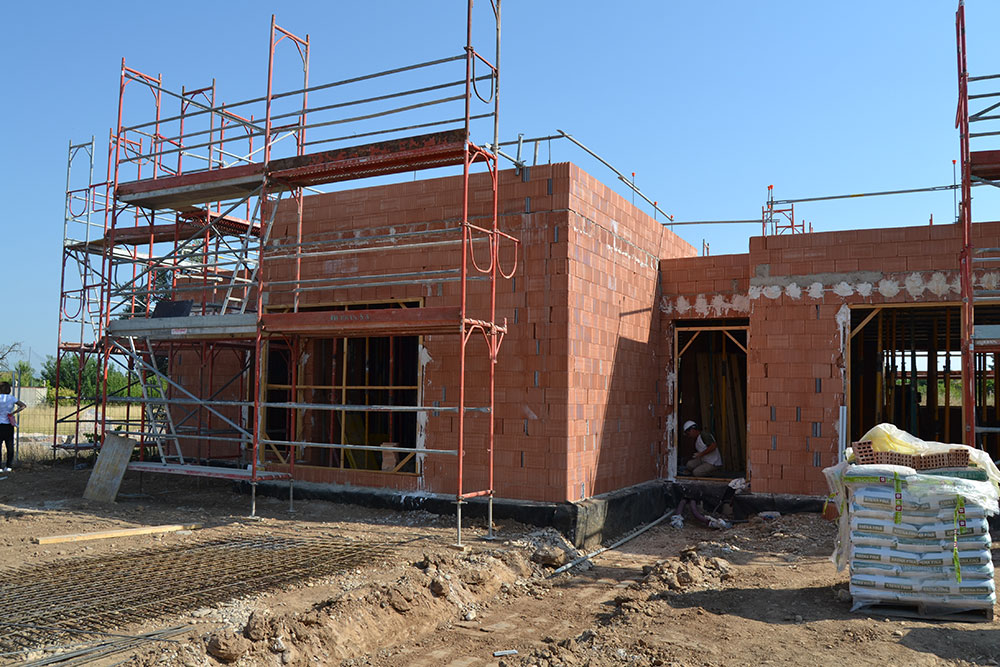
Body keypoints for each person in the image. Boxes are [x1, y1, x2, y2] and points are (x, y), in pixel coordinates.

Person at [0, 382, 26, 472]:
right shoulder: (12, 398)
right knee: (9, 446)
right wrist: (13, 413)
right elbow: (23, 406)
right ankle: (9, 466)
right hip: (9, 424)